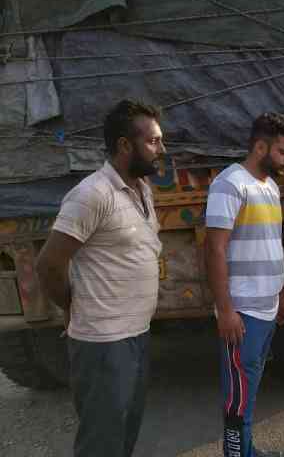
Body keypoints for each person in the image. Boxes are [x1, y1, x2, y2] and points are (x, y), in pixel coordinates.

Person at [36, 99, 166, 457]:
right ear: (125, 145)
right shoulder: (92, 194)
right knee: (102, 440)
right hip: (103, 342)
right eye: (153, 141)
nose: (161, 149)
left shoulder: (141, 189)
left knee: (124, 432)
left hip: (135, 334)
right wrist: (74, 307)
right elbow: (48, 265)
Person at [204, 112, 284, 457]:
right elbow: (214, 247)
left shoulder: (270, 187)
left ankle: (247, 452)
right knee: (236, 400)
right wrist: (226, 311)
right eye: (283, 151)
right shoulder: (230, 183)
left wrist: (283, 294)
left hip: (267, 310)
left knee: (249, 392)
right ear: (260, 147)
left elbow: (272, 245)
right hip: (242, 314)